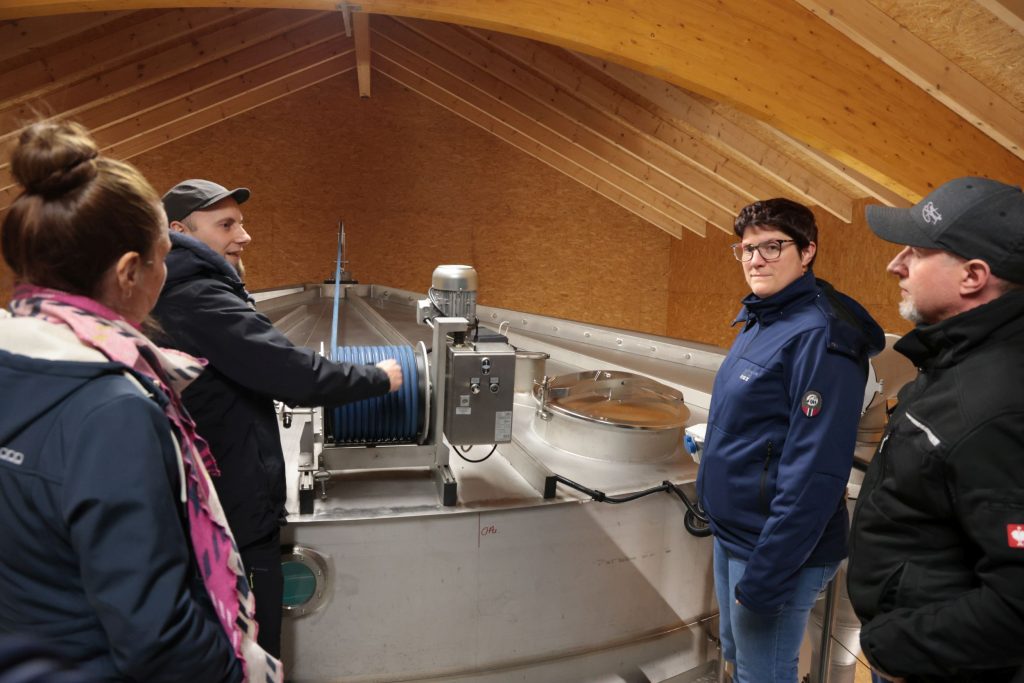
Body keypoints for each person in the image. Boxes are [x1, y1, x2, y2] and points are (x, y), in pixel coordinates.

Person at [0, 121, 280, 681]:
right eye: (163, 257)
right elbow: (158, 635)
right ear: (131, 272)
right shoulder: (114, 409)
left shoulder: (17, 361)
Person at [153, 179, 403, 658]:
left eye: (241, 223)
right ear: (180, 231)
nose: (244, 236)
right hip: (232, 512)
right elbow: (292, 374)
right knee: (252, 647)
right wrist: (378, 378)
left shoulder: (180, 287)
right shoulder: (198, 296)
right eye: (227, 225)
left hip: (213, 497)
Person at [696, 198, 884, 682]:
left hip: (774, 550)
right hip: (737, 535)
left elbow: (814, 472)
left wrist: (768, 573)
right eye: (746, 249)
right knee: (741, 658)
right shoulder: (763, 317)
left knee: (764, 673)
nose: (755, 260)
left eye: (772, 247)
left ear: (807, 252)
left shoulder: (819, 338)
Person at [847, 177, 1024, 683]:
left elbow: (1016, 602)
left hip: (934, 664)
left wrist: (893, 650)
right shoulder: (956, 357)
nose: (895, 264)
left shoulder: (998, 403)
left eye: (917, 252)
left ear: (973, 276)